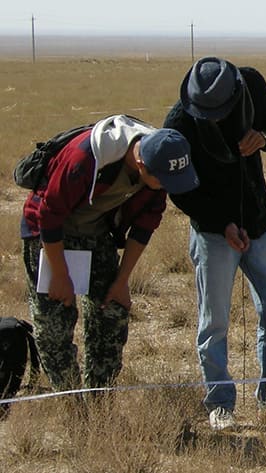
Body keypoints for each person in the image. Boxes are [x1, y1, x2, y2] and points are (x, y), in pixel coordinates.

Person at [20, 116, 198, 394]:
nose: (166, 187)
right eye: (162, 181)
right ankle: (72, 404)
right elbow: (48, 216)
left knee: (111, 313)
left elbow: (144, 225)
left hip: (98, 233)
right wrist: (60, 275)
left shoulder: (160, 163)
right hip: (48, 237)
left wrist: (122, 280)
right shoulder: (84, 158)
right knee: (54, 326)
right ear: (141, 165)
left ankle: (100, 398)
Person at [163, 57, 266, 431]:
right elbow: (180, 191)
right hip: (213, 235)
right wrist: (222, 224)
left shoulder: (252, 83)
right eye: (207, 113)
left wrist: (264, 138)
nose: (214, 118)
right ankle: (220, 403)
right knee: (214, 322)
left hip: (260, 225)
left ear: (235, 93)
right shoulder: (179, 123)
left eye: (220, 111)